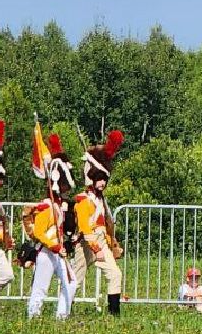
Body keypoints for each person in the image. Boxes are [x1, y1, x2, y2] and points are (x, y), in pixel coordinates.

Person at [71, 128, 126, 315]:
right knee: (76, 280)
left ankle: (114, 314)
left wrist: (111, 244)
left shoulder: (101, 200)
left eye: (104, 179)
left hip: (101, 241)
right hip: (87, 243)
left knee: (115, 274)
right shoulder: (83, 199)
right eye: (99, 179)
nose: (102, 183)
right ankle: (64, 311)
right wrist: (95, 248)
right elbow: (86, 227)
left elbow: (106, 225)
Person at [25, 129, 77, 320]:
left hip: (57, 251)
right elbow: (39, 232)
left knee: (71, 283)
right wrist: (55, 245)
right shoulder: (47, 207)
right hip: (47, 251)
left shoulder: (57, 206)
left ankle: (62, 316)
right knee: (41, 288)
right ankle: (33, 317)